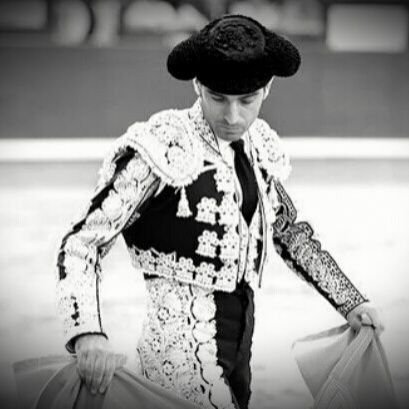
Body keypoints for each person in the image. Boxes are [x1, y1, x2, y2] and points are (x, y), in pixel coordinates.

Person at [56, 14, 384, 409]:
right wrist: (87, 332)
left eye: (247, 101)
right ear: (197, 85)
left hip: (239, 355)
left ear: (268, 88)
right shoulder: (161, 146)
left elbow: (287, 231)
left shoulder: (257, 146)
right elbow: (82, 241)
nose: (233, 117)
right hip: (176, 359)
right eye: (218, 99)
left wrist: (351, 301)